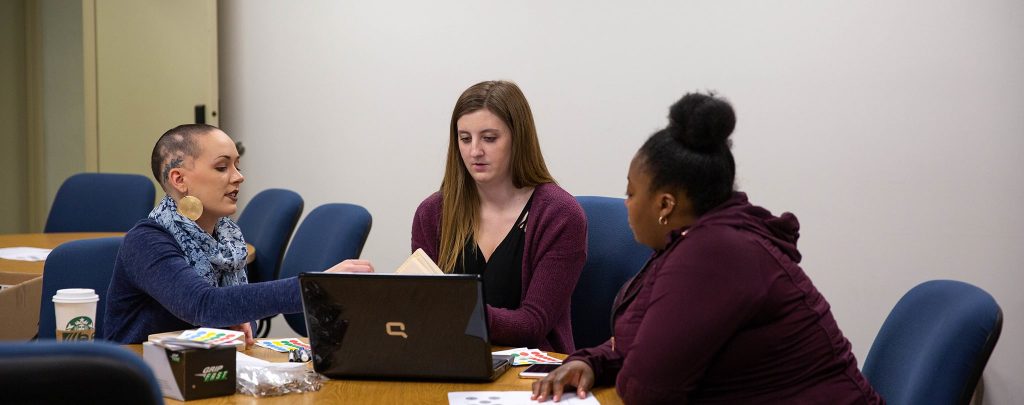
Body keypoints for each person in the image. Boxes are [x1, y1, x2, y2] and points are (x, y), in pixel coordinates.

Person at [532, 93, 883, 404]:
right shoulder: (704, 239)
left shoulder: (716, 255)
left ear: (665, 205)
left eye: (631, 193)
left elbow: (647, 389)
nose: (626, 204)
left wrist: (617, 359)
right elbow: (646, 345)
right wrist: (589, 362)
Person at [103, 124, 373, 344]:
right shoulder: (147, 240)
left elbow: (237, 306)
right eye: (222, 167)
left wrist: (240, 318)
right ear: (179, 179)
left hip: (200, 367)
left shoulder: (228, 236)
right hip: (140, 378)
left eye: (237, 166)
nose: (238, 177)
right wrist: (315, 287)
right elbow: (204, 305)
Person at [411, 80, 587, 354]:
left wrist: (457, 310)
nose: (474, 151)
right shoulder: (432, 213)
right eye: (465, 138)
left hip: (531, 374)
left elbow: (532, 325)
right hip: (452, 363)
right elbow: (424, 311)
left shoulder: (560, 215)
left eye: (489, 138)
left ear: (519, 138)